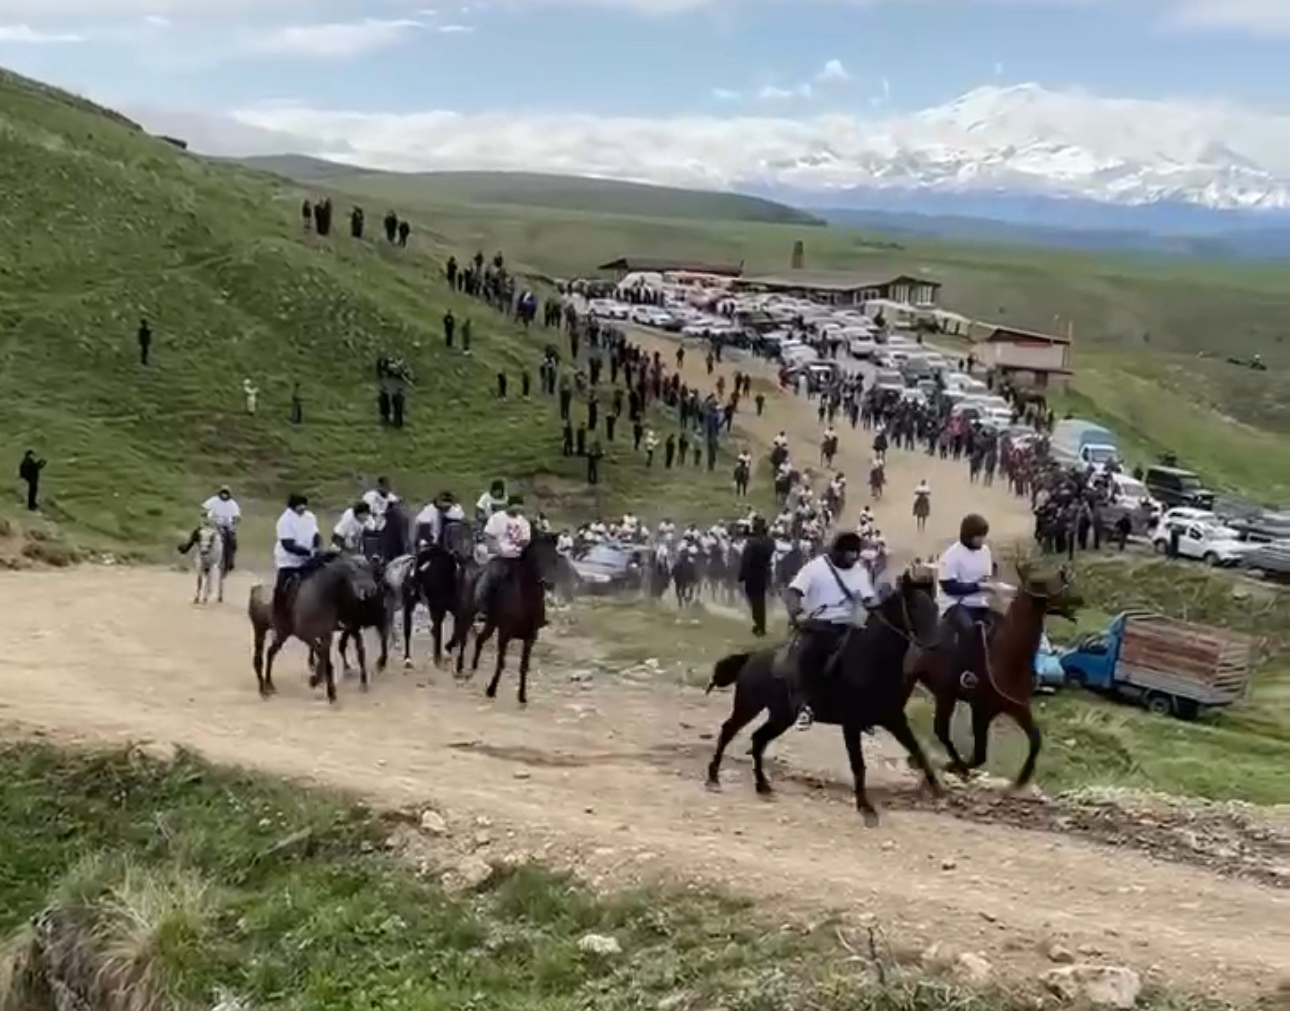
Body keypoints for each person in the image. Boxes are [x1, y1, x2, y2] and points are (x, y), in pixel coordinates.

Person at [784, 530, 877, 730]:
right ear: (838, 551)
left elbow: (870, 599)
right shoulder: (815, 568)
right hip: (820, 625)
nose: (853, 557)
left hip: (851, 626)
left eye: (856, 552)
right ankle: (805, 705)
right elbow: (793, 592)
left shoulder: (860, 571)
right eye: (849, 552)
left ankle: (865, 710)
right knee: (810, 656)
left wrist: (879, 609)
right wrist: (797, 614)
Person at [936, 513, 997, 650]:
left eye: (983, 536)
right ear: (968, 536)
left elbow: (985, 577)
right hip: (956, 604)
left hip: (980, 602)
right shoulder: (952, 555)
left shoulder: (985, 551)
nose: (981, 540)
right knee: (971, 631)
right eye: (978, 536)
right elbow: (949, 587)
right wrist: (978, 587)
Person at [468, 494, 532, 620]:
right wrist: (498, 550)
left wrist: (522, 546)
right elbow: (489, 537)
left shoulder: (523, 522)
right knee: (491, 577)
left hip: (517, 557)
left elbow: (526, 540)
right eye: (516, 505)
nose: (518, 509)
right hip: (498, 555)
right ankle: (481, 607)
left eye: (520, 506)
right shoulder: (497, 518)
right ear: (509, 505)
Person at [272, 493, 320, 624]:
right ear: (292, 506)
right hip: (289, 560)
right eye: (299, 505)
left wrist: (316, 547)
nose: (303, 507)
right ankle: (278, 616)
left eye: (304, 504)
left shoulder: (310, 517)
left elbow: (316, 534)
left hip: (309, 558)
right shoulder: (284, 520)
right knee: (282, 588)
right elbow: (288, 544)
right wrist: (307, 552)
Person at [738, 515, 775, 636]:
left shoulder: (751, 543)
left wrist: (741, 575)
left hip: (752, 575)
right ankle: (761, 625)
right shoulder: (769, 541)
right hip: (763, 574)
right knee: (760, 600)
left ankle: (759, 625)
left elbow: (746, 560)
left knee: (753, 601)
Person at [201, 485, 241, 571]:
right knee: (199, 533)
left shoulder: (233, 504)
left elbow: (237, 516)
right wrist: (204, 513)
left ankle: (230, 560)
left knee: (231, 540)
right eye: (223, 493)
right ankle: (188, 547)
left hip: (225, 526)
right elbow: (204, 507)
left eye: (226, 494)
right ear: (220, 493)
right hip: (213, 524)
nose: (224, 495)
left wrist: (235, 521)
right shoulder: (213, 500)